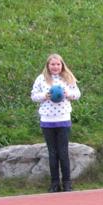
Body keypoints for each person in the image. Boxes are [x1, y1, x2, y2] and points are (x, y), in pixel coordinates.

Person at [31, 53, 81, 192]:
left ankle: (67, 182)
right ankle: (54, 183)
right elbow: (33, 96)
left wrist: (68, 94)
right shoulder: (41, 78)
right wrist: (44, 96)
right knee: (52, 153)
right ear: (48, 65)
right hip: (47, 120)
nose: (55, 67)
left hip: (63, 119)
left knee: (63, 152)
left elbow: (77, 94)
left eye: (58, 64)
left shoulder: (67, 78)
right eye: (52, 64)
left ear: (62, 65)